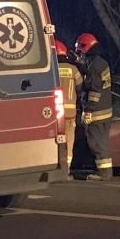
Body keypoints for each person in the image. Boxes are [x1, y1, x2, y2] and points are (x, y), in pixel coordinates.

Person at [74, 32, 115, 180]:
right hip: (105, 110)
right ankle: (105, 173)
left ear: (85, 48)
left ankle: (104, 174)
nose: (80, 55)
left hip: (97, 112)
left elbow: (95, 90)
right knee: (101, 141)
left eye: (80, 51)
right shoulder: (100, 63)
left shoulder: (95, 66)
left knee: (97, 143)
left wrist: (89, 110)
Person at [54, 38, 82, 171]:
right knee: (69, 141)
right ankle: (67, 168)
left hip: (53, 114)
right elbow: (81, 87)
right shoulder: (73, 69)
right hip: (70, 114)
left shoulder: (52, 70)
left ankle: (56, 165)